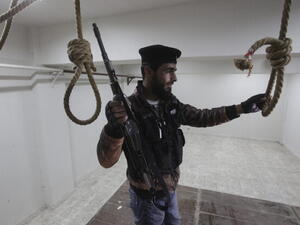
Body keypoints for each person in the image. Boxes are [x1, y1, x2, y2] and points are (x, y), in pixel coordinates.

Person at [97, 45, 266, 225]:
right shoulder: (127, 111)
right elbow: (106, 161)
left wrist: (241, 108)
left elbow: (202, 117)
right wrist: (114, 129)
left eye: (174, 71)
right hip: (146, 197)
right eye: (169, 71)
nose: (175, 78)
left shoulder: (170, 103)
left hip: (170, 188)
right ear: (148, 71)